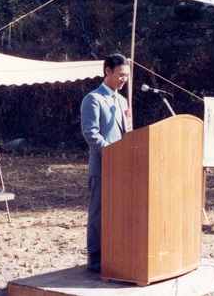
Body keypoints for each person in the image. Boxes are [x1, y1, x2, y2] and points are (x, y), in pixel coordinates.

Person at [80, 54, 132, 273]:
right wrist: (112, 154)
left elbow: (127, 131)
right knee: (99, 216)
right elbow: (91, 134)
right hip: (103, 168)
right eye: (120, 75)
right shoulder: (93, 99)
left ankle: (117, 255)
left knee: (121, 213)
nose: (124, 80)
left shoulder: (122, 100)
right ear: (107, 71)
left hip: (123, 168)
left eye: (127, 76)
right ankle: (96, 260)